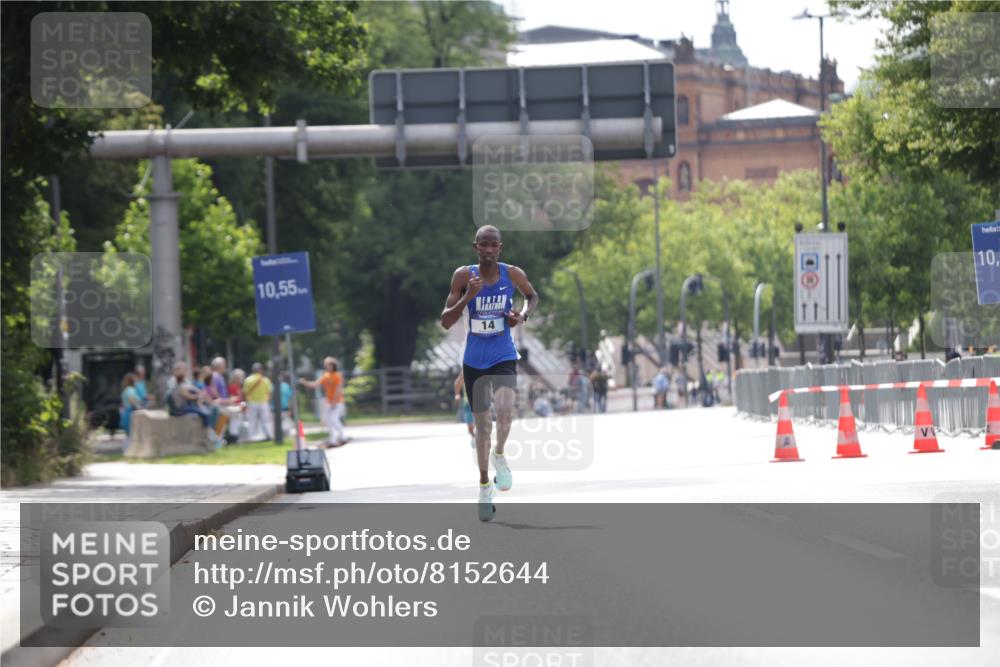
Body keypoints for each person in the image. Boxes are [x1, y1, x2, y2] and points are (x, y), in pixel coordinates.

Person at [440, 224, 539, 522]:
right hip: (474, 359)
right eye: (482, 245)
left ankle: (500, 454)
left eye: (492, 245)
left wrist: (521, 316)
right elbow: (445, 321)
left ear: (500, 248)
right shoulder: (463, 276)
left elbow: (532, 297)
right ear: (475, 247)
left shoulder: (513, 274)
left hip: (503, 353)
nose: (487, 249)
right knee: (482, 427)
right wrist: (467, 297)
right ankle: (484, 486)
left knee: (506, 412)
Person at [165, 361, 223, 448]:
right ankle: (209, 434)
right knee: (204, 413)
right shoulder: (174, 381)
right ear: (176, 370)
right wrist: (198, 396)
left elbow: (193, 390)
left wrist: (200, 396)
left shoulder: (186, 381)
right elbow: (186, 394)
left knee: (212, 410)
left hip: (188, 405)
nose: (185, 371)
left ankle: (210, 432)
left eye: (185, 369)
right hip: (179, 408)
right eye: (183, 369)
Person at [300, 357, 349, 447]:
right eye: (326, 365)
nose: (327, 367)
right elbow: (315, 384)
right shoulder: (326, 376)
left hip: (337, 402)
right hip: (329, 402)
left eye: (329, 365)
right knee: (328, 421)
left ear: (333, 365)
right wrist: (305, 383)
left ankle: (343, 437)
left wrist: (334, 401)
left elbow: (338, 389)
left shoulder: (337, 375)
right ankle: (332, 440)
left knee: (334, 419)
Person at [243, 362, 274, 441]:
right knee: (266, 420)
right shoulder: (265, 380)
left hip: (252, 402)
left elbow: (245, 392)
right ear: (261, 370)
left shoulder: (248, 380)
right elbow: (269, 392)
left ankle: (250, 437)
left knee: (252, 421)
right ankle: (269, 435)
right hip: (263, 402)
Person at [120, 372, 143, 451]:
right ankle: (129, 450)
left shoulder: (125, 390)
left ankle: (127, 449)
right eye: (135, 379)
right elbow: (132, 400)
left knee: (128, 434)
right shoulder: (130, 389)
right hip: (131, 413)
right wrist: (140, 408)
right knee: (132, 433)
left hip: (126, 412)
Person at [454, 372, 476, 450]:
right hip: (468, 402)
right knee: (470, 428)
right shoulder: (466, 369)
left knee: (480, 424)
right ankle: (474, 436)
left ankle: (481, 439)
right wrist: (457, 394)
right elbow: (458, 382)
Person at [280, 371, 294, 436]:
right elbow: (290, 398)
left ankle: (281, 434)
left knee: (279, 423)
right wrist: (290, 409)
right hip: (285, 407)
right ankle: (286, 434)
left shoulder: (274, 385)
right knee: (286, 421)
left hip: (276, 408)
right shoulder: (287, 386)